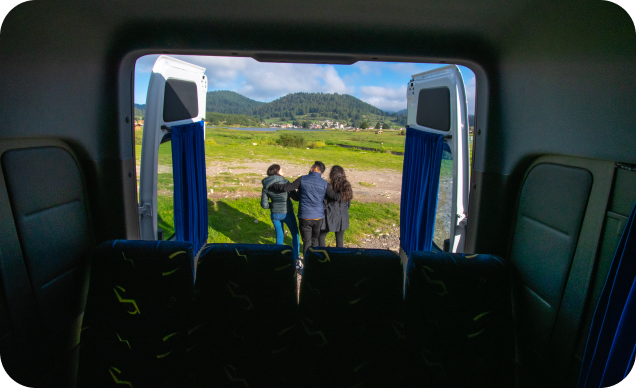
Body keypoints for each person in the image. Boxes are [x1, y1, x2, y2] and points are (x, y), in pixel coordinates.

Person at [269, 161, 340, 257]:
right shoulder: (324, 183)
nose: (310, 168)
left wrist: (273, 185)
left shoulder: (302, 179)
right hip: (318, 218)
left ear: (315, 168)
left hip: (305, 217)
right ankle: (314, 261)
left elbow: (287, 188)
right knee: (315, 240)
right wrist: (344, 190)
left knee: (306, 242)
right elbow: (335, 196)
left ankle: (306, 263)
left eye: (312, 166)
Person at [261, 164, 301, 267]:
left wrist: (273, 205)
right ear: (277, 172)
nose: (283, 172)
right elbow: (296, 197)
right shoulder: (286, 183)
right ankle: (296, 259)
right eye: (282, 170)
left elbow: (264, 205)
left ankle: (280, 259)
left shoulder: (266, 185)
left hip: (275, 214)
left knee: (279, 236)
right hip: (288, 212)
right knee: (295, 234)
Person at [319, 165, 353, 248]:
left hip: (330, 215)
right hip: (343, 216)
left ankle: (323, 254)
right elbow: (348, 203)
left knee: (321, 236)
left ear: (332, 174)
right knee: (339, 239)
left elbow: (324, 203)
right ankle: (339, 257)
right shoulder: (347, 187)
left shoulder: (329, 186)